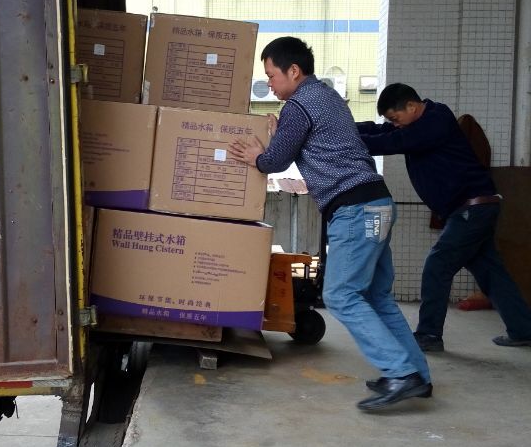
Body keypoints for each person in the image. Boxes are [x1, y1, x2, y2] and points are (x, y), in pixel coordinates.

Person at [228, 37, 431, 411]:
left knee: (340, 295)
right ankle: (416, 374)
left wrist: (258, 156)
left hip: (355, 211)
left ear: (293, 71)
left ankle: (402, 373)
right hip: (377, 202)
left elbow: (275, 161)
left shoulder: (299, 104)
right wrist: (279, 139)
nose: (269, 84)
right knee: (376, 296)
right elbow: (305, 145)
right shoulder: (327, 96)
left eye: (271, 75)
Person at [357, 83, 531, 351]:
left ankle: (429, 334)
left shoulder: (436, 120)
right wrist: (345, 129)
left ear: (411, 106)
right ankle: (522, 329)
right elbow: (382, 131)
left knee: (437, 265)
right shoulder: (416, 123)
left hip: (472, 209)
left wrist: (348, 143)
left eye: (395, 118)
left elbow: (393, 142)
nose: (395, 124)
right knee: (490, 271)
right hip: (473, 209)